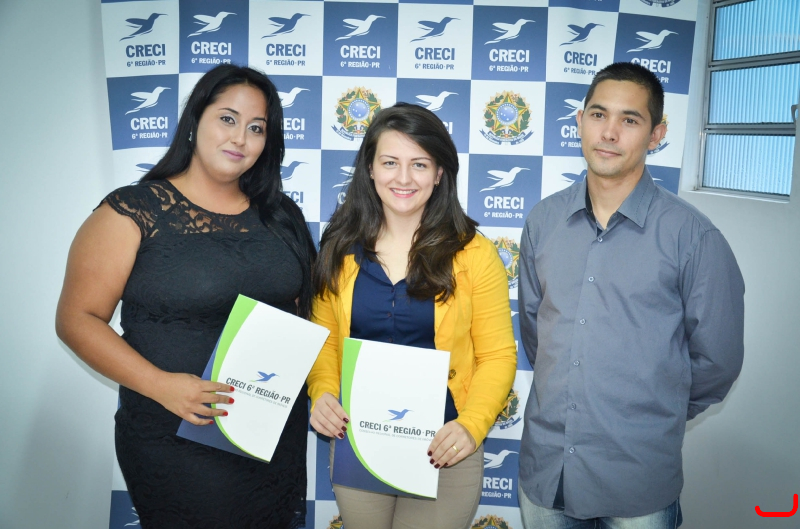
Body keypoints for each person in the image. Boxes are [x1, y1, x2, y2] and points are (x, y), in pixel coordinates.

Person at [55, 64, 316, 528]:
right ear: (195, 120)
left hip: (269, 436)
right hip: (173, 436)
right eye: (227, 119)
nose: (240, 138)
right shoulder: (133, 210)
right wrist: (162, 386)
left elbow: (301, 313)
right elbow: (77, 319)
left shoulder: (281, 214)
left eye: (256, 128)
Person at [517, 62, 745, 528]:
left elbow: (717, 361)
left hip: (637, 481)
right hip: (547, 472)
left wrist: (653, 410)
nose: (609, 132)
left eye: (630, 119)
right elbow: (537, 334)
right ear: (580, 121)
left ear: (656, 134)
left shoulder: (693, 237)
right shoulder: (543, 221)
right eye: (598, 114)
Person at [308, 103, 517, 529]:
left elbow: (497, 355)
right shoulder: (339, 247)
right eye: (390, 162)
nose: (403, 178)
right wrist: (322, 391)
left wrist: (471, 425)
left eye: (419, 164)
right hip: (359, 443)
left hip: (446, 449)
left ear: (439, 173)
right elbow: (324, 340)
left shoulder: (474, 253)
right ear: (370, 168)